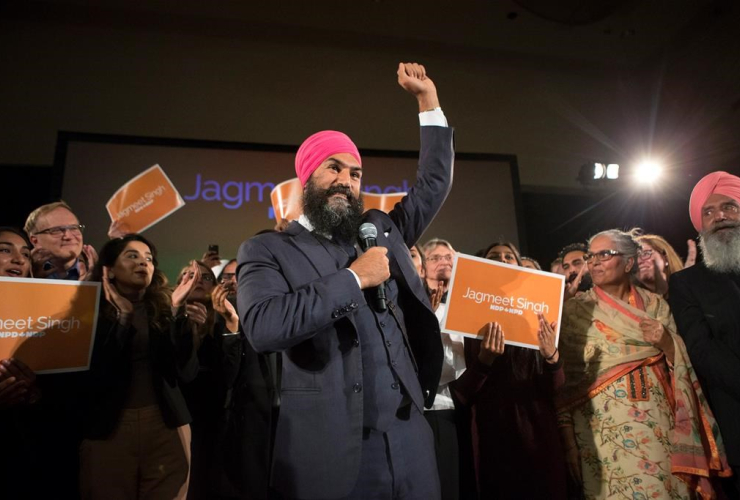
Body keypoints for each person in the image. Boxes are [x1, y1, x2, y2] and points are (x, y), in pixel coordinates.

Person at [237, 62, 452, 499]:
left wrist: (427, 102)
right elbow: (263, 327)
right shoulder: (266, 251)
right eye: (333, 168)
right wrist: (354, 279)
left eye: (354, 174)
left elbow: (432, 184)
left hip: (411, 440)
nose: (346, 181)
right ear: (308, 178)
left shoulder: (379, 231)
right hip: (335, 453)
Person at [557, 229, 730, 500]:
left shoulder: (657, 306)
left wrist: (667, 342)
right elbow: (564, 384)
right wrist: (568, 441)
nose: (595, 261)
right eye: (591, 256)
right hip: (601, 434)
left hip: (661, 430)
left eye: (605, 254)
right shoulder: (576, 313)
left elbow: (687, 364)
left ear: (628, 262)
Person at [80, 234, 200, 499]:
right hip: (109, 429)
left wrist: (178, 311)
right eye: (132, 256)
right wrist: (123, 318)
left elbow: (185, 372)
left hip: (166, 426)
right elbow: (96, 375)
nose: (143, 263)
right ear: (108, 271)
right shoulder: (88, 312)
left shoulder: (164, 309)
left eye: (148, 258)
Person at [454, 240, 566, 499]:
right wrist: (484, 360)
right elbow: (461, 394)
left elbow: (556, 388)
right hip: (491, 434)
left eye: (509, 257)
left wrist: (552, 357)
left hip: (537, 432)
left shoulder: (539, 319)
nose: (503, 260)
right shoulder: (465, 318)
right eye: (494, 256)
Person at [670, 171, 740, 498]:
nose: (720, 216)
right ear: (699, 225)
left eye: (729, 206)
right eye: (708, 212)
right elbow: (702, 350)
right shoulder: (686, 284)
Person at [24, 201, 97, 280]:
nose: (68, 236)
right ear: (35, 241)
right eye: (56, 230)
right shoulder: (22, 274)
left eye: (73, 228)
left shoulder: (100, 274)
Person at [635, 233, 684, 297]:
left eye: (646, 253)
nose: (639, 261)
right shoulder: (631, 302)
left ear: (666, 258)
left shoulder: (688, 291)